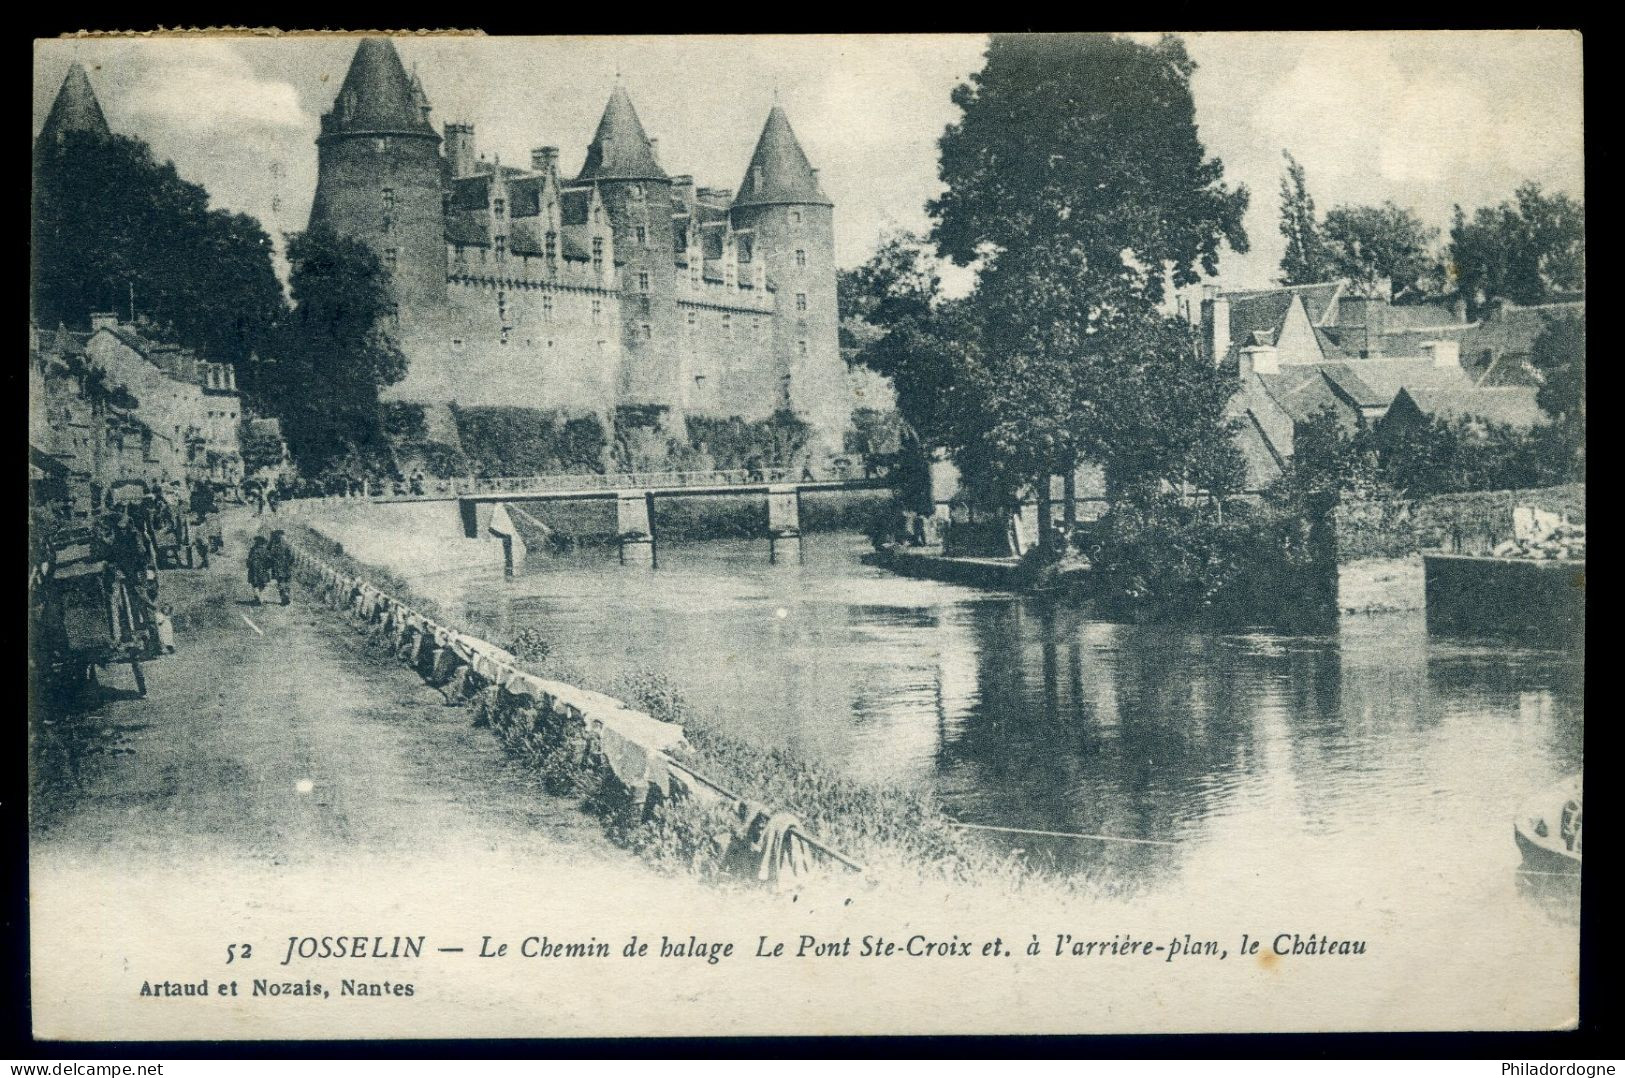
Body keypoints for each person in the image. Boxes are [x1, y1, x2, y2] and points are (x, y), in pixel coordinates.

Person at [266, 529, 294, 606]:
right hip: (287, 566)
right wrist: (290, 563)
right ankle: (286, 596)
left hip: (278, 566)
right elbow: (292, 556)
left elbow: (269, 553)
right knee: (287, 581)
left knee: (280, 581)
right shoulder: (287, 544)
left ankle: (284, 597)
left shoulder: (275, 544)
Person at [246, 535, 271, 604]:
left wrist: (249, 566)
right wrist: (267, 567)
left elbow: (249, 560)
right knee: (263, 584)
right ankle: (261, 598)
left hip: (254, 569)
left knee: (255, 583)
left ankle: (257, 597)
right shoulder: (266, 550)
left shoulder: (253, 549)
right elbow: (269, 560)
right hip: (263, 569)